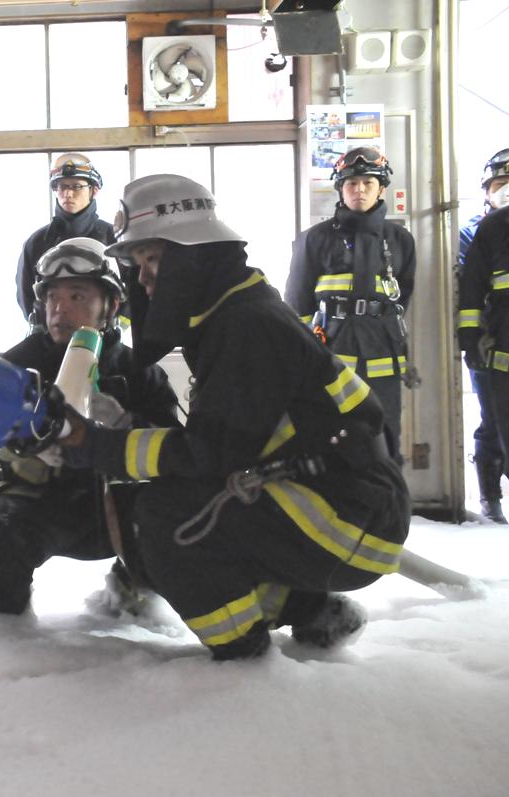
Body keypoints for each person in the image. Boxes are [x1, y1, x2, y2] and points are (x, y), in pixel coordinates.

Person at [60, 174, 410, 661]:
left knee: (168, 517)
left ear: (193, 255)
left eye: (153, 260)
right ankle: (309, 611)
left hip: (349, 521)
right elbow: (223, 441)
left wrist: (96, 447)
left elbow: (209, 453)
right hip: (338, 501)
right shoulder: (232, 314)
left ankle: (243, 654)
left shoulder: (248, 326)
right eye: (138, 265)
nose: (144, 280)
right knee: (165, 508)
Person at [0, 237, 179, 616]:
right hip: (41, 502)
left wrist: (123, 424)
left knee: (177, 516)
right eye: (52, 298)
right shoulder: (17, 366)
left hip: (119, 509)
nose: (60, 309)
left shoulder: (138, 373)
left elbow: (176, 451)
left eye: (78, 297)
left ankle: (133, 590)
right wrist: (25, 434)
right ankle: (5, 620)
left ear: (110, 305)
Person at [285, 146, 417, 460]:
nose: (359, 190)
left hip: (383, 357)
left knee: (386, 439)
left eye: (368, 183)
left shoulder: (400, 240)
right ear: (340, 189)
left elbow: (403, 296)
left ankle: (387, 506)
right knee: (330, 437)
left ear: (381, 188)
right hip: (331, 357)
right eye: (352, 183)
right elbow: (297, 302)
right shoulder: (314, 239)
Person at [458, 149, 509, 523]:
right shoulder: (479, 230)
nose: (506, 191)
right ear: (486, 191)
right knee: (493, 420)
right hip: (492, 346)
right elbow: (471, 290)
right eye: (500, 184)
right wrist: (470, 338)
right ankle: (490, 495)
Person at [15, 153, 117, 326]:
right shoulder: (37, 241)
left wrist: (118, 326)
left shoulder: (113, 237)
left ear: (94, 190)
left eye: (76, 186)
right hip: (50, 340)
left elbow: (132, 293)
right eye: (61, 187)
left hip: (103, 339)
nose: (68, 193)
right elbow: (26, 296)